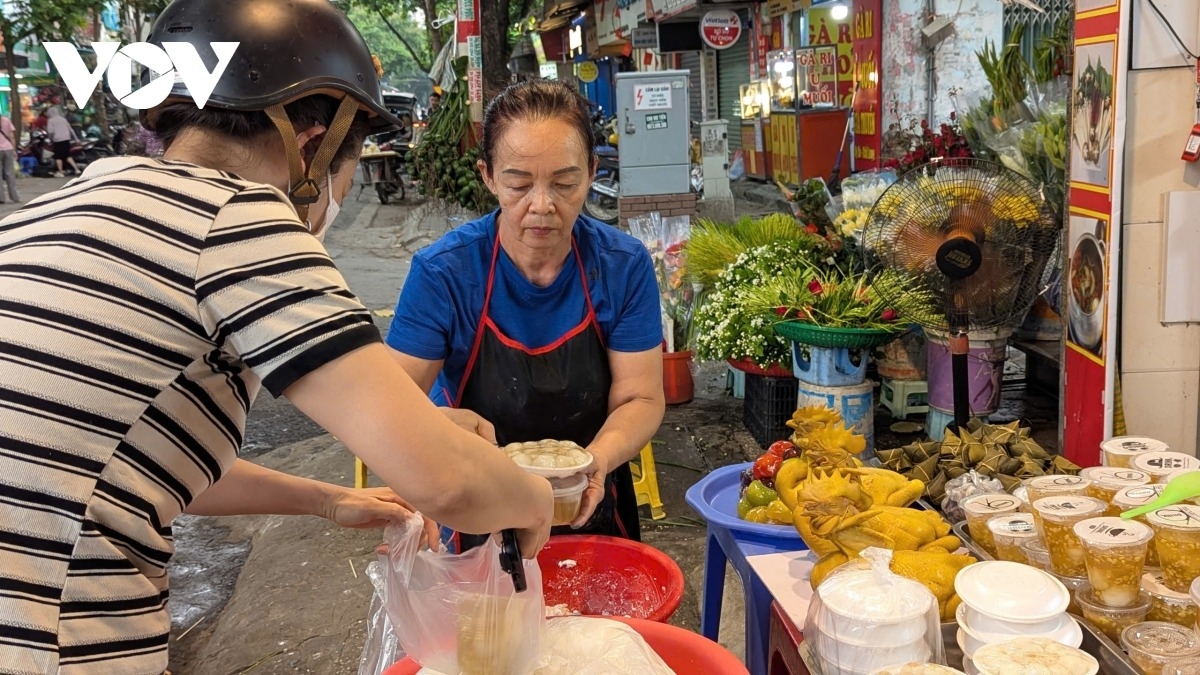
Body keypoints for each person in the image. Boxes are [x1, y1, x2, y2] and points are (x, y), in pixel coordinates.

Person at [0, 1, 553, 672]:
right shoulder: (235, 215)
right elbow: (448, 482)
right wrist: (534, 497)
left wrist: (327, 498)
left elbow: (138, 464)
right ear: (313, 146)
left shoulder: (51, 212)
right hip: (52, 642)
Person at [387, 80, 666, 552]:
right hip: (476, 506)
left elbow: (640, 396)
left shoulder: (622, 265)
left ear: (592, 172)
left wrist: (594, 463)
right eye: (519, 184)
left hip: (589, 497)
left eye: (564, 183)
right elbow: (390, 404)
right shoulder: (445, 273)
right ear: (488, 177)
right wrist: (433, 436)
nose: (542, 205)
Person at [45, 106, 80, 177]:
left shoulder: (51, 120)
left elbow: (50, 131)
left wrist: (50, 139)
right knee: (67, 155)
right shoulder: (63, 119)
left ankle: (61, 172)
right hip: (66, 139)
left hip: (57, 140)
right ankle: (77, 169)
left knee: (58, 157)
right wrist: (76, 139)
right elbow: (71, 130)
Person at [0, 113, 20, 202]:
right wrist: (14, 150)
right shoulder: (6, 121)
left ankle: (1, 198)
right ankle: (14, 197)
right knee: (10, 173)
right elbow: (11, 136)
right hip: (8, 148)